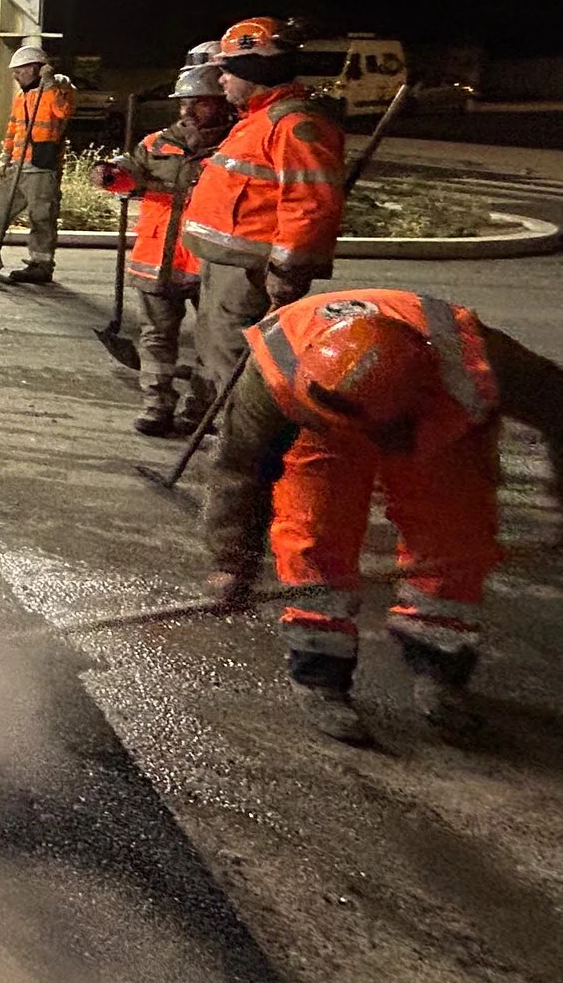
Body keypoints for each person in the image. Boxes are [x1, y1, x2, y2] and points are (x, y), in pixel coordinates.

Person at [203, 290, 563, 740]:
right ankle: (320, 672)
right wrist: (231, 564)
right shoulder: (279, 376)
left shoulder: (478, 361)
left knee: (455, 540)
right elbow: (240, 468)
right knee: (315, 532)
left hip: (439, 425)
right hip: (325, 431)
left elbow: (560, 409)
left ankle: (440, 659)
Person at [180, 17, 346, 394]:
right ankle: (217, 419)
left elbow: (310, 205)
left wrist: (287, 274)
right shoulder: (256, 121)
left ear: (253, 72)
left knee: (236, 363)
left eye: (228, 72)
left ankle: (241, 440)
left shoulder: (295, 125)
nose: (221, 81)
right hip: (227, 267)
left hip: (250, 273)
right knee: (215, 349)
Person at [94, 63, 233, 434]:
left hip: (209, 260)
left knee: (213, 341)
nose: (188, 111)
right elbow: (126, 171)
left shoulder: (234, 146)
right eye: (184, 103)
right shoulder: (156, 144)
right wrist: (110, 174)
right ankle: (157, 405)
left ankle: (199, 411)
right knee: (156, 338)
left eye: (199, 103)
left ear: (221, 102)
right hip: (157, 258)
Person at [0, 42, 72, 286]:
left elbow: (63, 112)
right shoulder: (22, 97)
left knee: (41, 217)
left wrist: (50, 83)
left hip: (41, 167)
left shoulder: (57, 90)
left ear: (36, 69)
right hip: (17, 166)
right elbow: (13, 129)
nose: (16, 76)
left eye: (19, 71)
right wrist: (4, 158)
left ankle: (41, 265)